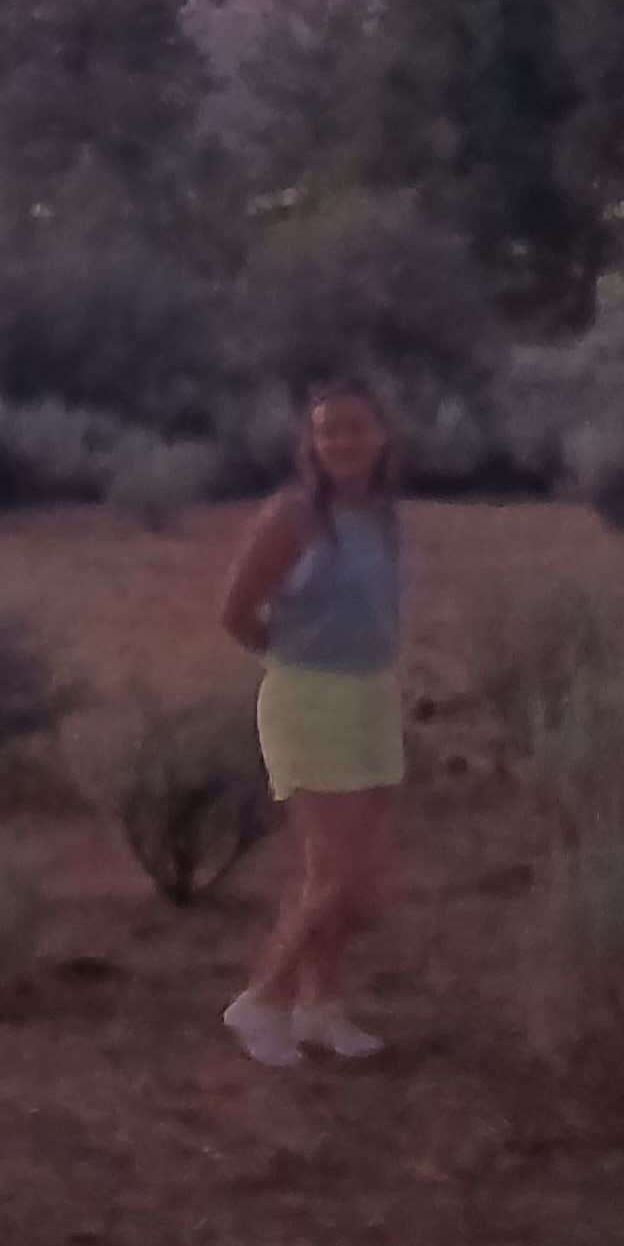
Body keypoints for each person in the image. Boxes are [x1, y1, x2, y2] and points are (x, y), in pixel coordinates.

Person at [213, 378, 407, 1067]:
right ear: (312, 444)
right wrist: (294, 663)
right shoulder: (290, 517)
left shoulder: (383, 514)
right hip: (310, 700)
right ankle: (260, 1002)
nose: (343, 443)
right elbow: (235, 613)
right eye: (329, 431)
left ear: (381, 437)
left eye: (357, 428)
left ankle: (318, 1008)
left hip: (373, 697)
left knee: (362, 882)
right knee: (336, 875)